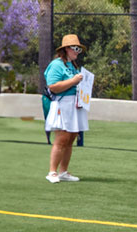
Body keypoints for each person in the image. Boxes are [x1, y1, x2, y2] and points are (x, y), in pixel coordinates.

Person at [44, 34, 88, 184]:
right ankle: (52, 171)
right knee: (61, 139)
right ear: (66, 49)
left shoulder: (72, 65)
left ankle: (63, 171)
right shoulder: (56, 64)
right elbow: (53, 86)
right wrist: (73, 81)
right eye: (75, 48)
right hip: (62, 105)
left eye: (79, 49)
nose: (77, 52)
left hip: (74, 105)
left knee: (70, 139)